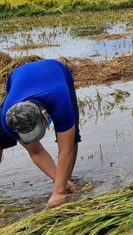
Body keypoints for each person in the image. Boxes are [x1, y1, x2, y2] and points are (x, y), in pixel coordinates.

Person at [1, 59, 81, 208]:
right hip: (17, 77)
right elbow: (36, 151)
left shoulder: (59, 99)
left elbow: (66, 149)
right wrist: (59, 182)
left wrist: (59, 191)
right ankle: (64, 182)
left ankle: (66, 180)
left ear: (44, 114)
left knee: (71, 136)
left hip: (56, 72)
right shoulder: (9, 119)